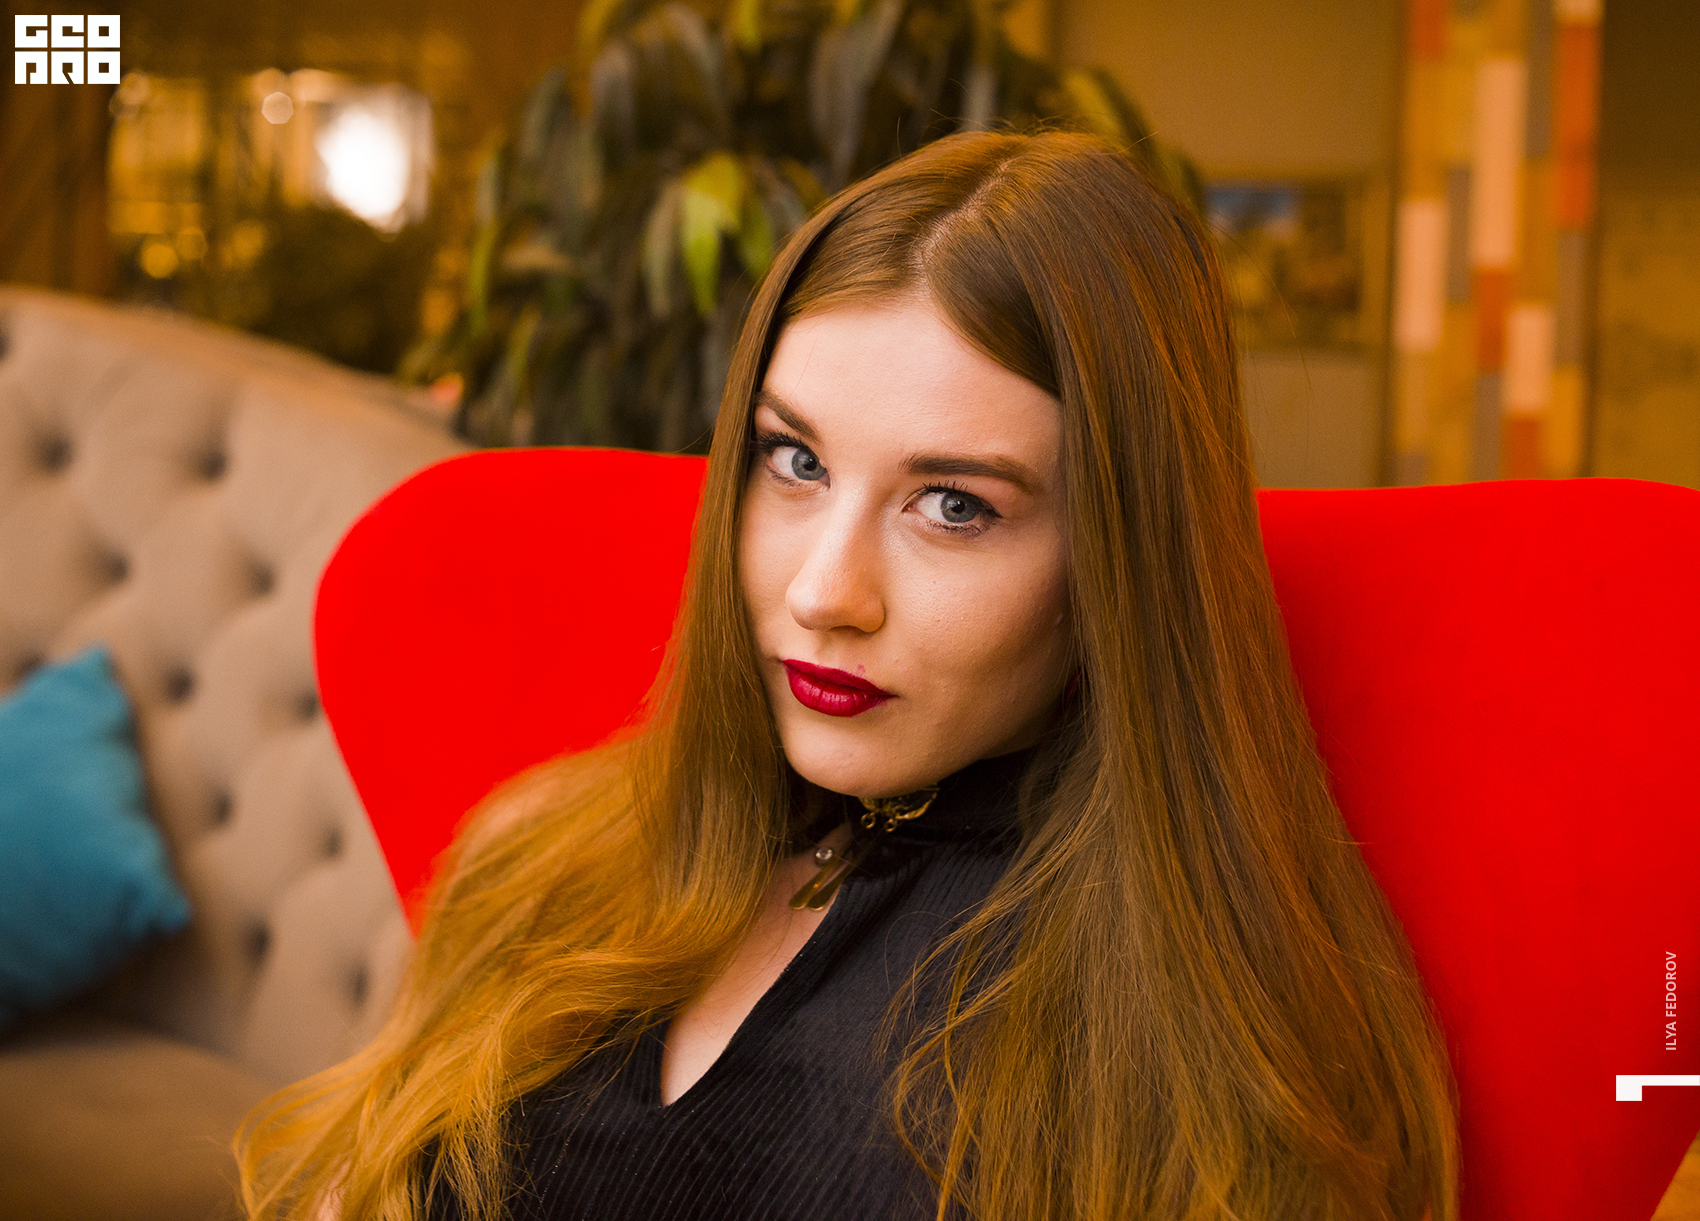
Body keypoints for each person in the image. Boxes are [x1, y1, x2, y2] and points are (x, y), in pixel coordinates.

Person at [235, 130, 1460, 1221]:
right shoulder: (542, 854)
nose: (826, 592)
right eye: (795, 461)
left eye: (952, 505)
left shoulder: (1202, 1059)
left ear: (1119, 562)